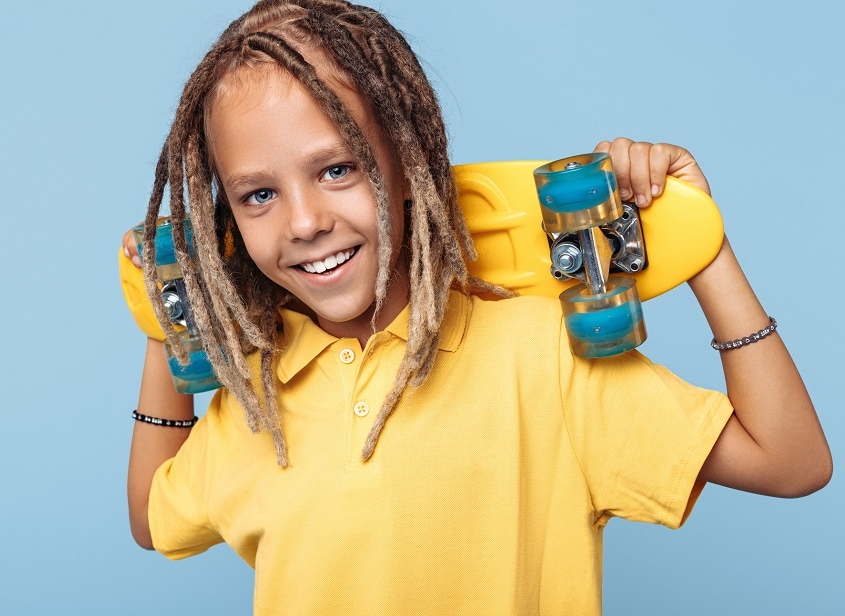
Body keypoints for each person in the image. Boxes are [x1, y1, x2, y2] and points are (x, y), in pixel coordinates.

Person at [120, 1, 832, 613]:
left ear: (407, 160)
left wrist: (703, 245)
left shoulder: (543, 358)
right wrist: (168, 308)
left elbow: (791, 462)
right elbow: (155, 517)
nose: (304, 222)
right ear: (231, 221)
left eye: (338, 170)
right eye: (259, 196)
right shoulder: (259, 397)